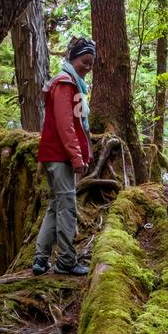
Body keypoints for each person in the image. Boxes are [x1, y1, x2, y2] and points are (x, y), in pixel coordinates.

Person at [33, 37, 96, 276]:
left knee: (56, 205)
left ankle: (41, 258)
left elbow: (76, 124)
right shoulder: (65, 83)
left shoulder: (73, 83)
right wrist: (76, 156)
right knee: (67, 206)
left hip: (58, 155)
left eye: (91, 63)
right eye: (84, 61)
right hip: (60, 156)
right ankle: (66, 261)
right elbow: (65, 124)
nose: (88, 67)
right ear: (72, 58)